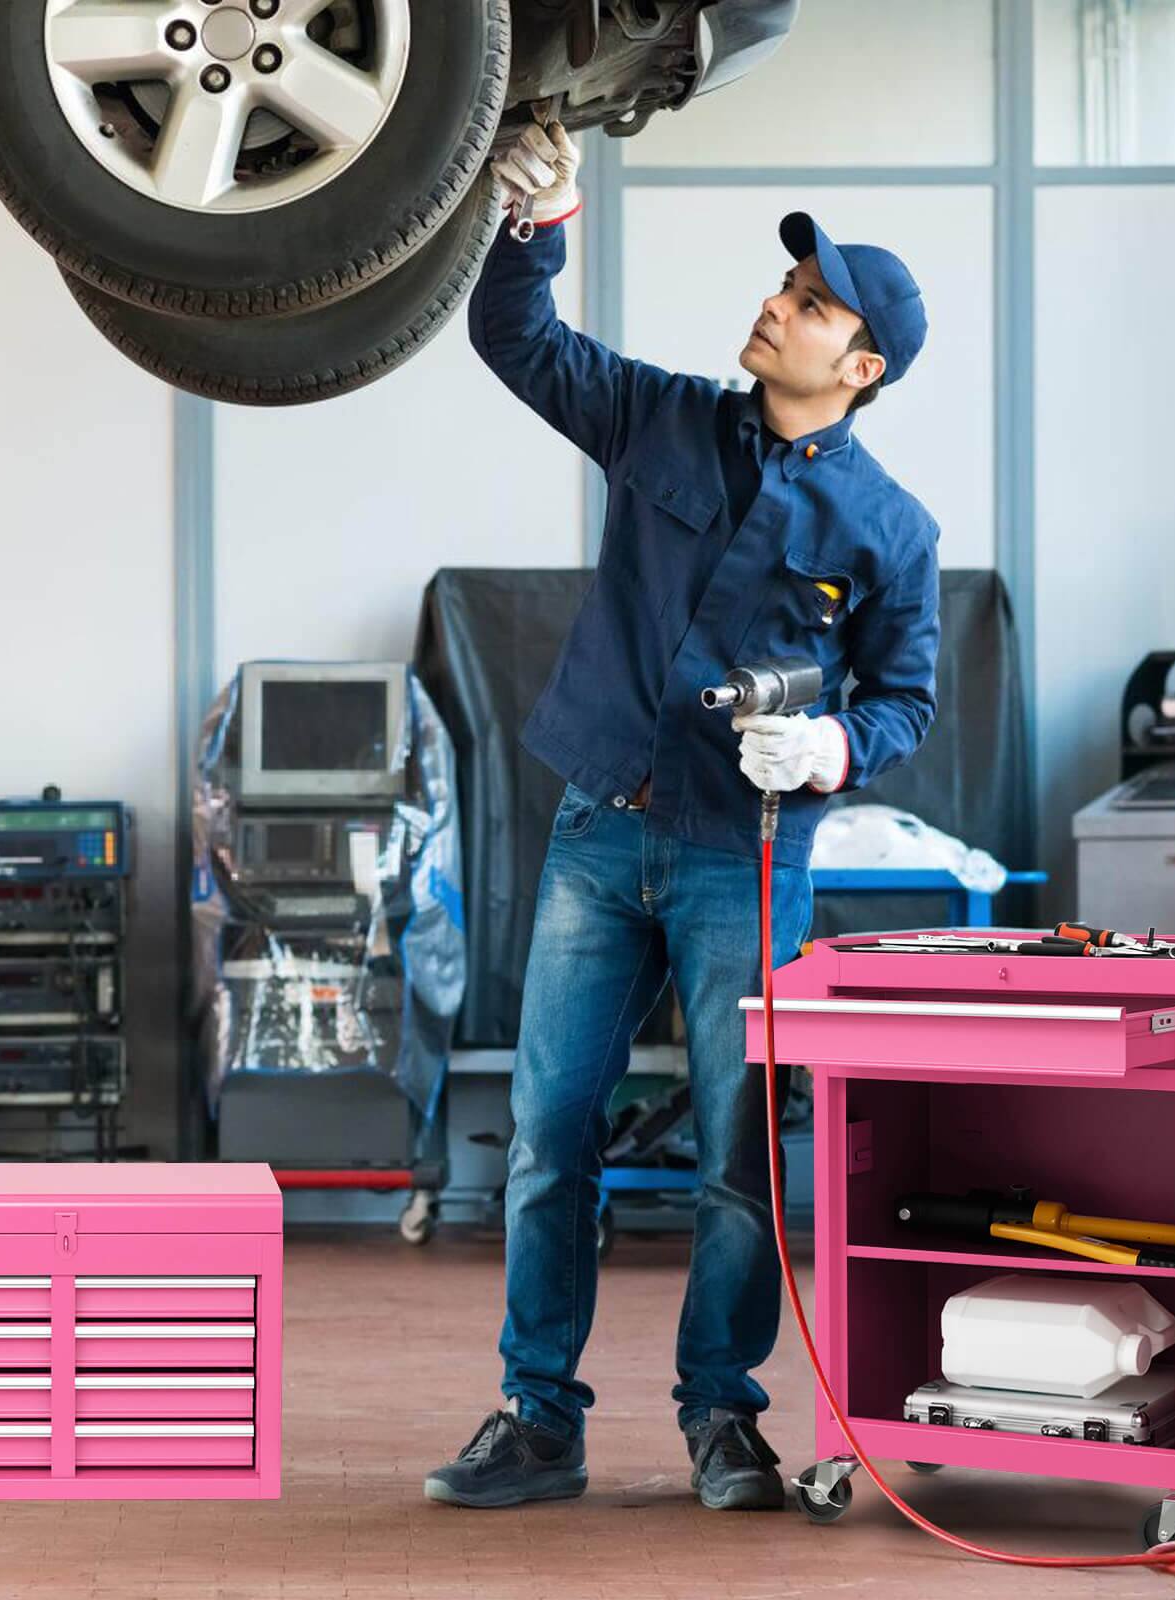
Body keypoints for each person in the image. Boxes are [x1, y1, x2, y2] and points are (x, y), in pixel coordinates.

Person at [424, 119, 941, 1512]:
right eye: (788, 285)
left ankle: (723, 1415)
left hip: (744, 862)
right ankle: (539, 1418)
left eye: (812, 304)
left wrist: (833, 746)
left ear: (862, 367)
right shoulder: (660, 418)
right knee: (550, 1138)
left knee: (739, 1158)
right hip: (599, 831)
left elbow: (907, 701)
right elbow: (518, 340)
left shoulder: (893, 531)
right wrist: (541, 223)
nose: (778, 304)